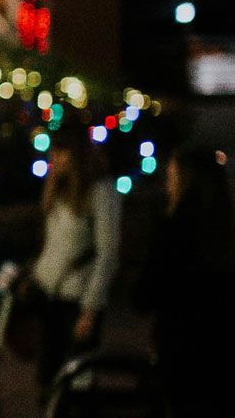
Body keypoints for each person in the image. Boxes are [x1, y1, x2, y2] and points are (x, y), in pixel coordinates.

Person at [138, 146, 234, 416]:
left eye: (170, 179)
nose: (167, 187)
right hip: (223, 350)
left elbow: (144, 296)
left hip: (180, 349)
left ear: (182, 181)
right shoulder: (225, 231)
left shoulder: (171, 230)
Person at [26, 129, 121, 395]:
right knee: (48, 377)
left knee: (77, 380)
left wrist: (90, 309)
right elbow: (52, 245)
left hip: (78, 297)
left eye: (60, 153)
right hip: (50, 293)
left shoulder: (101, 192)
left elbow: (107, 253)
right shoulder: (57, 190)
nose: (54, 160)